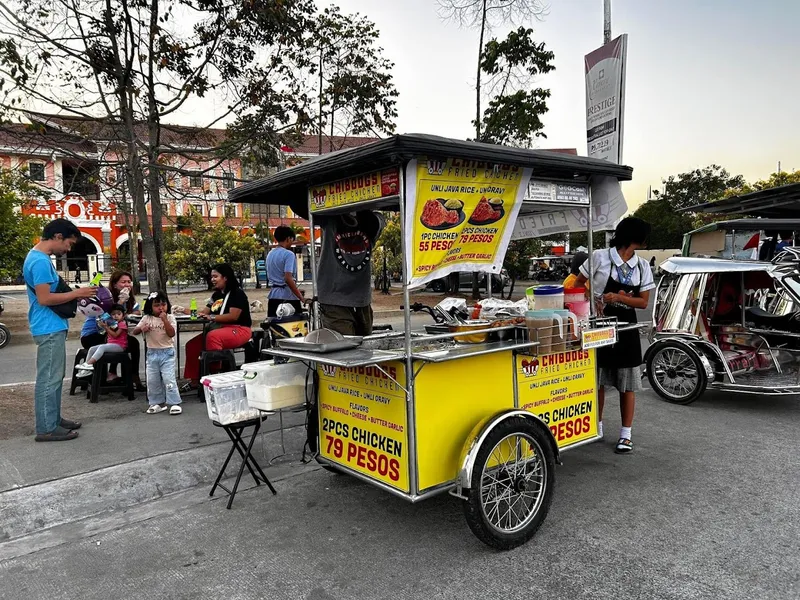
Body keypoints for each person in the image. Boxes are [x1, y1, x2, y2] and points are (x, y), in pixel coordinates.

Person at [575, 217, 655, 454]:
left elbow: (642, 302)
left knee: (627, 384)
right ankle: (596, 427)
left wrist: (619, 298)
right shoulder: (600, 256)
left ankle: (626, 434)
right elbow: (578, 283)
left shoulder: (642, 266)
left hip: (626, 329)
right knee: (598, 380)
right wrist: (595, 299)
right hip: (599, 327)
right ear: (635, 238)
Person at [23, 218, 97, 442]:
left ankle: (53, 419)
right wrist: (77, 294)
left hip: (50, 326)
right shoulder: (40, 262)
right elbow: (45, 298)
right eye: (69, 243)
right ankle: (46, 427)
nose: (68, 248)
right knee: (49, 378)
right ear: (57, 237)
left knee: (54, 376)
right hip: (48, 327)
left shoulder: (38, 258)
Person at [181, 263, 252, 389]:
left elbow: (233, 316)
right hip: (220, 328)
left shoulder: (237, 293)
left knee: (213, 337)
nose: (212, 279)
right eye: (211, 277)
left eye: (215, 276)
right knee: (192, 345)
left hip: (239, 329)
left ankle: (217, 376)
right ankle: (195, 381)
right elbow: (204, 313)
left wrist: (212, 317)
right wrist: (183, 310)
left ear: (225, 277)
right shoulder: (216, 295)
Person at [317, 211, 384, 335]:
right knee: (343, 347)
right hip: (334, 299)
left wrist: (357, 208)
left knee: (365, 346)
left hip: (362, 299)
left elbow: (373, 223)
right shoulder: (329, 218)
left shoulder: (375, 220)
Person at [133, 291, 182, 415]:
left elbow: (171, 333)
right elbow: (135, 331)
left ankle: (174, 402)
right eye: (157, 305)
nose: (161, 308)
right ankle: (156, 402)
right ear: (150, 307)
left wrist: (165, 320)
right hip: (152, 353)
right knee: (152, 380)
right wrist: (142, 329)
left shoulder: (170, 318)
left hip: (167, 353)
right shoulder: (146, 318)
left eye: (163, 304)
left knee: (168, 378)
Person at [75, 304, 128, 377]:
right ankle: (87, 369)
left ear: (123, 315)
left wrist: (106, 328)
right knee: (92, 349)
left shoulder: (122, 324)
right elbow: (102, 332)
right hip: (111, 344)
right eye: (113, 314)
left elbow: (115, 335)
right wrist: (101, 325)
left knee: (102, 348)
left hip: (120, 346)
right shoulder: (111, 323)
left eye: (119, 314)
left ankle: (89, 364)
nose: (116, 316)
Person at [267, 225, 306, 317]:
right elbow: (287, 278)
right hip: (288, 298)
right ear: (288, 238)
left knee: (275, 327)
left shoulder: (270, 254)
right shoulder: (289, 254)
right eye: (292, 240)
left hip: (273, 296)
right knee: (294, 328)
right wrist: (301, 297)